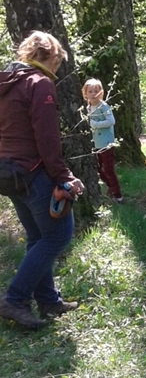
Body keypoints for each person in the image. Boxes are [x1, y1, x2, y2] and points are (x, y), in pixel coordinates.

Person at [0, 31, 84, 329]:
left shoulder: (7, 81)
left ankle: (48, 300)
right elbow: (47, 139)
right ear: (51, 57)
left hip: (7, 172)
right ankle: (15, 299)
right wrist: (64, 177)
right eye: (58, 62)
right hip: (32, 171)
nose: (58, 68)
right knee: (57, 236)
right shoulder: (39, 83)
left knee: (37, 236)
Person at [82, 78, 123, 202]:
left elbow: (111, 121)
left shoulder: (103, 106)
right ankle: (110, 186)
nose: (93, 94)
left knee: (109, 169)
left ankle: (118, 195)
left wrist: (95, 123)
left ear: (101, 92)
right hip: (95, 144)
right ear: (85, 93)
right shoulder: (87, 107)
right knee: (96, 167)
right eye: (90, 91)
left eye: (96, 91)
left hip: (106, 143)